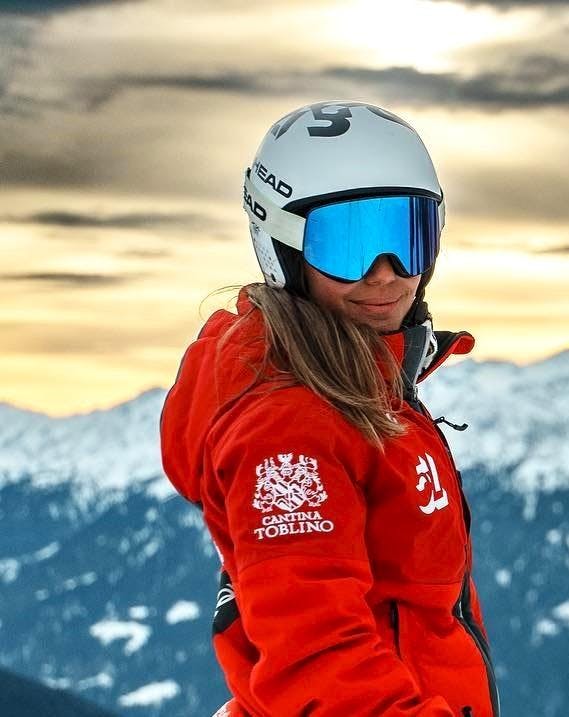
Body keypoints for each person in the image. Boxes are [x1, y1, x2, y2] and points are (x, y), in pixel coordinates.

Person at [161, 101, 498, 717]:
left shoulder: (362, 381)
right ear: (283, 249)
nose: (386, 276)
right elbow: (314, 655)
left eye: (407, 237)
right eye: (349, 244)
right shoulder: (290, 427)